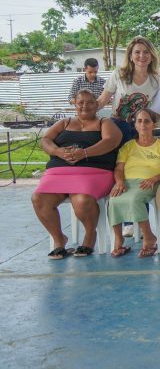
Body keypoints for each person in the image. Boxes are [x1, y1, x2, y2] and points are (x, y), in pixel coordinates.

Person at [32, 89, 122, 259]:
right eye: (80, 102)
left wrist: (85, 153)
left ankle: (89, 236)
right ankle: (59, 239)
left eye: (89, 102)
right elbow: (45, 140)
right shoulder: (64, 123)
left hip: (94, 172)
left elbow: (111, 141)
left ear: (97, 105)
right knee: (38, 198)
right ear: (74, 103)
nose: (84, 106)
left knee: (81, 199)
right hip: (58, 173)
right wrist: (57, 151)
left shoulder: (105, 122)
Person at [108, 110, 160, 258]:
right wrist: (119, 182)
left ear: (154, 124)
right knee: (113, 200)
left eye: (147, 121)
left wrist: (155, 178)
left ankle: (149, 237)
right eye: (139, 121)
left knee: (134, 199)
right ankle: (118, 240)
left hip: (152, 182)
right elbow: (119, 168)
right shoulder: (128, 146)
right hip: (127, 182)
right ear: (135, 125)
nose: (143, 124)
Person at [97, 36, 160, 144]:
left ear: (151, 56)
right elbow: (102, 101)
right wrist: (84, 115)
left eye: (146, 52)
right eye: (137, 52)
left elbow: (157, 110)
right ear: (130, 56)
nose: (142, 55)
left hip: (141, 128)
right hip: (117, 125)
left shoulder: (156, 80)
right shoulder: (119, 74)